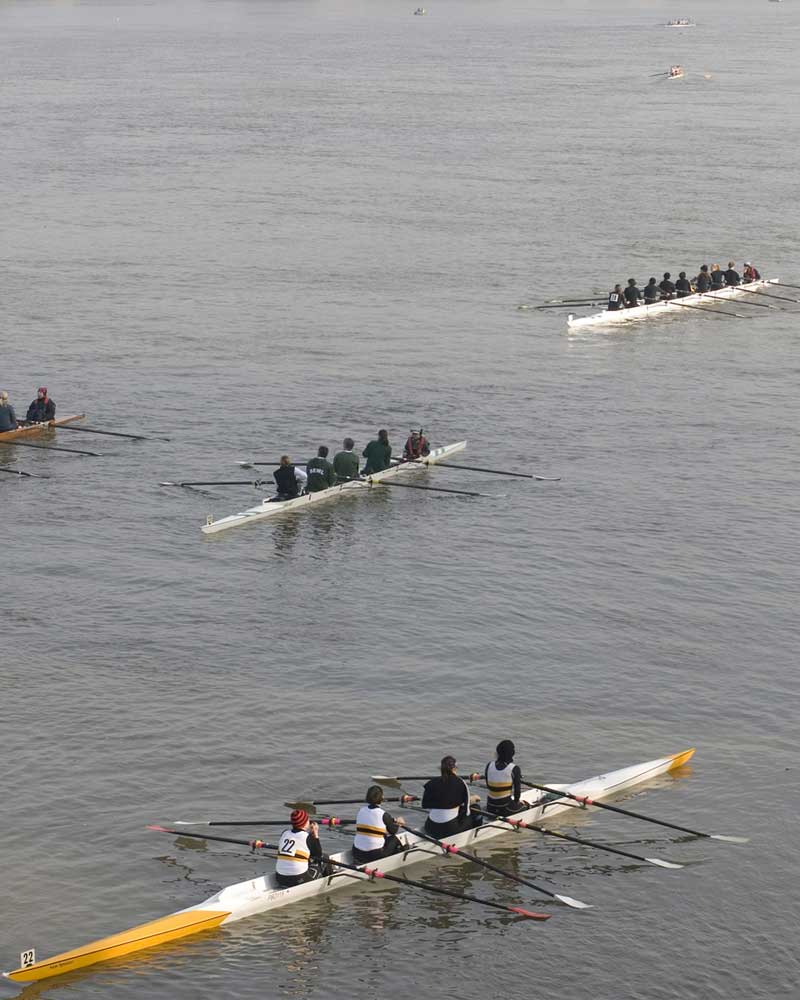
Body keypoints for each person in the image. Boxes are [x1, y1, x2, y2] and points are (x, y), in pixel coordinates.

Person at [422, 756, 481, 838]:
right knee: (476, 808)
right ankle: (477, 834)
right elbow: (467, 812)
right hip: (449, 830)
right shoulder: (460, 782)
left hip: (429, 827)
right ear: (454, 768)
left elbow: (425, 805)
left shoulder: (431, 782)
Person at [351, 785, 407, 864]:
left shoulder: (361, 810)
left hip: (356, 852)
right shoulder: (383, 814)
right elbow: (393, 831)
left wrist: (392, 820)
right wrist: (398, 823)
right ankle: (403, 855)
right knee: (394, 839)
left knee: (380, 835)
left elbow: (373, 821)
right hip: (374, 855)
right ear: (382, 797)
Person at [275, 809, 324, 888]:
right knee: (324, 858)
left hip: (279, 878)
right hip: (298, 879)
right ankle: (330, 881)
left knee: (303, 858)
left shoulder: (284, 833)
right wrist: (315, 834)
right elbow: (318, 855)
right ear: (305, 823)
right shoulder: (308, 837)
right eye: (308, 819)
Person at [484, 740, 528, 817]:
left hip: (490, 806)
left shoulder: (489, 765)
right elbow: (517, 792)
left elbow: (488, 785)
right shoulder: (514, 768)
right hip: (505, 808)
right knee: (526, 806)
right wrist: (517, 802)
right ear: (512, 753)